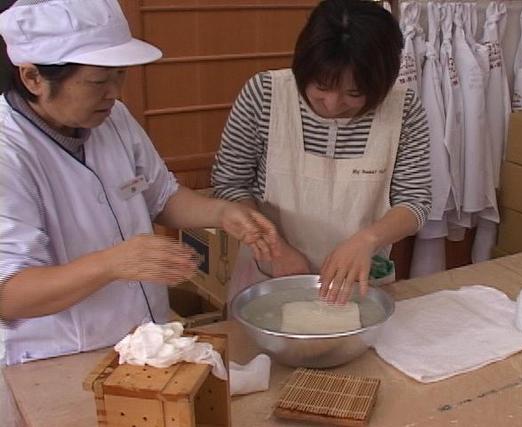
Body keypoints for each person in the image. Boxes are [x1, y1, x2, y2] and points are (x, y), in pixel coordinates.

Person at [0, 0, 280, 367]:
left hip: (147, 342)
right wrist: (112, 263)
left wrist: (224, 212)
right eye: (99, 81)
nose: (114, 92)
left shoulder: (113, 118)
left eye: (119, 76)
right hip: (59, 357)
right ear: (34, 78)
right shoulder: (9, 153)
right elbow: (10, 293)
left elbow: (161, 196)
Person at [212, 0, 432, 305]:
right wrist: (275, 246)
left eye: (354, 93)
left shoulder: (403, 109)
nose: (332, 104)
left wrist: (368, 240)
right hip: (269, 275)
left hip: (359, 283)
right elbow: (230, 184)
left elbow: (415, 201)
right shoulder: (264, 95)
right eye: (321, 86)